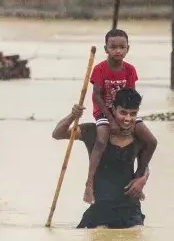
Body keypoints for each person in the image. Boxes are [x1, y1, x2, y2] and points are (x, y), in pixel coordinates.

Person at [52, 88, 158, 229]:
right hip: (100, 208)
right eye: (123, 112)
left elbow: (145, 164)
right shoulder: (94, 132)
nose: (128, 119)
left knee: (136, 240)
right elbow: (58, 134)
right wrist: (73, 115)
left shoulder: (139, 137)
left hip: (130, 209)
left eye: (133, 114)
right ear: (113, 110)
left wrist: (143, 179)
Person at [84, 28, 152, 204]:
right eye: (113, 47)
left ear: (128, 49)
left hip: (125, 112)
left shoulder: (130, 70)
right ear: (106, 49)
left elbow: (131, 96)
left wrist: (128, 120)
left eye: (122, 47)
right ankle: (89, 184)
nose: (118, 51)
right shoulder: (100, 69)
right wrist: (112, 119)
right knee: (100, 141)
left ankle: (139, 177)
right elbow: (97, 96)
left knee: (151, 141)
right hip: (104, 111)